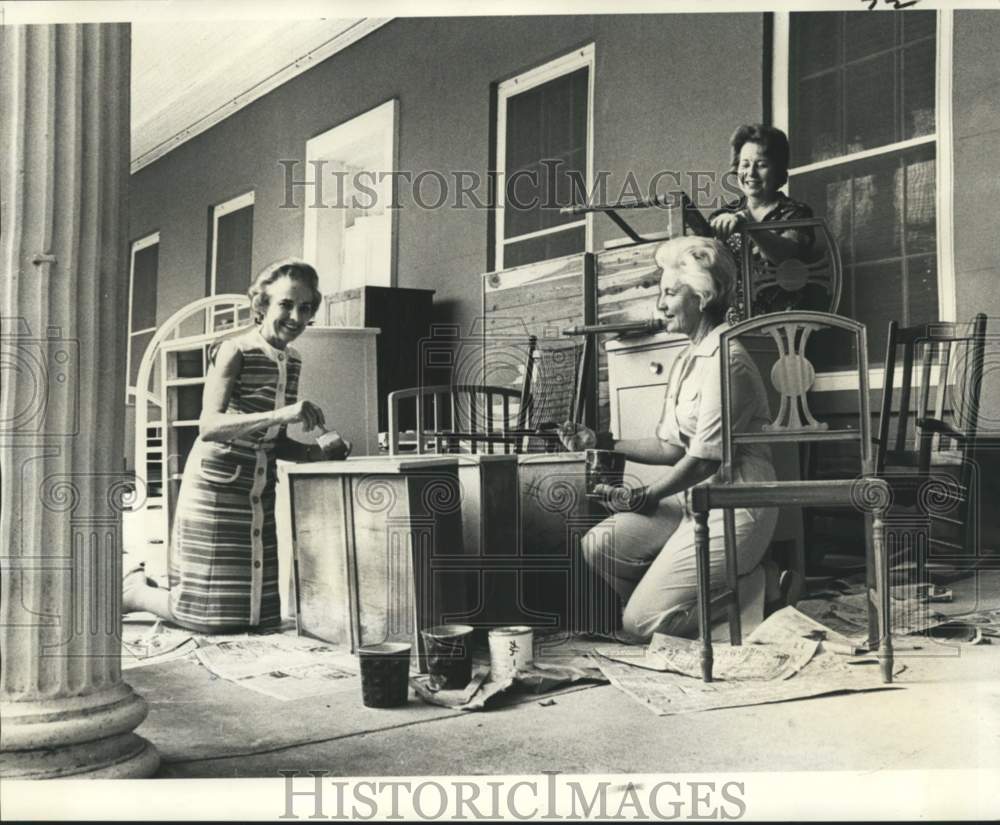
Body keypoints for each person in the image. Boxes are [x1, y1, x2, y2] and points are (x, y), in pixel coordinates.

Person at [558, 236, 778, 641]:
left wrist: (649, 495)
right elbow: (671, 448)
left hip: (737, 503)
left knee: (639, 625)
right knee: (599, 546)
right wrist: (600, 441)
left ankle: (760, 586)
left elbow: (705, 461)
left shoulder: (727, 361)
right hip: (693, 499)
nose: (660, 305)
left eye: (670, 293)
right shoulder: (688, 358)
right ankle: (673, 600)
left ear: (703, 297)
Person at [123, 259, 352, 632]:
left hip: (257, 490)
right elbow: (209, 426)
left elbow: (273, 443)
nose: (296, 316)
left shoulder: (292, 360)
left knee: (255, 616)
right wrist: (281, 414)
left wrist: (316, 453)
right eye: (286, 304)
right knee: (204, 616)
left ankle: (147, 592)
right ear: (261, 305)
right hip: (216, 486)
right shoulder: (235, 350)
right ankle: (134, 591)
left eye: (306, 307)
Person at [709, 124, 823, 320]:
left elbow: (787, 258)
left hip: (780, 324)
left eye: (761, 164)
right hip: (727, 324)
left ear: (778, 170)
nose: (751, 173)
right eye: (744, 164)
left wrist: (748, 225)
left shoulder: (796, 212)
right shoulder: (722, 214)